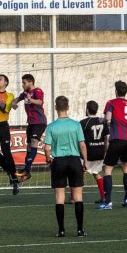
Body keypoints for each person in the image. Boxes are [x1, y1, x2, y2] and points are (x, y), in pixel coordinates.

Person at [44, 96, 88, 237]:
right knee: (78, 196)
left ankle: (61, 230)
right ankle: (80, 230)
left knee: (59, 197)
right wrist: (85, 161)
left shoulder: (51, 126)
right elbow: (82, 145)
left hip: (59, 162)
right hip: (75, 161)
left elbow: (46, 147)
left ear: (56, 108)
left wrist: (47, 159)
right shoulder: (76, 125)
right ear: (68, 107)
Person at [98, 81, 127, 210]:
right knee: (126, 167)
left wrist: (102, 120)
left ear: (116, 91)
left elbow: (108, 118)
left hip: (117, 139)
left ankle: (108, 201)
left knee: (108, 169)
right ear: (125, 92)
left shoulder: (111, 103)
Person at [12, 74, 47, 181]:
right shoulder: (25, 93)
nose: (23, 85)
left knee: (33, 142)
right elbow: (16, 99)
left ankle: (26, 170)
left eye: (24, 83)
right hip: (31, 123)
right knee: (29, 147)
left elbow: (40, 102)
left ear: (31, 82)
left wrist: (31, 100)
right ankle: (27, 172)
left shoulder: (38, 91)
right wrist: (13, 103)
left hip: (40, 122)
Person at [80, 101, 109, 204]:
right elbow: (107, 137)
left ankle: (75, 197)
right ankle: (104, 197)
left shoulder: (83, 122)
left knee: (79, 174)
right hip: (100, 152)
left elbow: (80, 140)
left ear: (87, 110)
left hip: (88, 153)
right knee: (96, 173)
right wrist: (106, 151)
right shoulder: (103, 121)